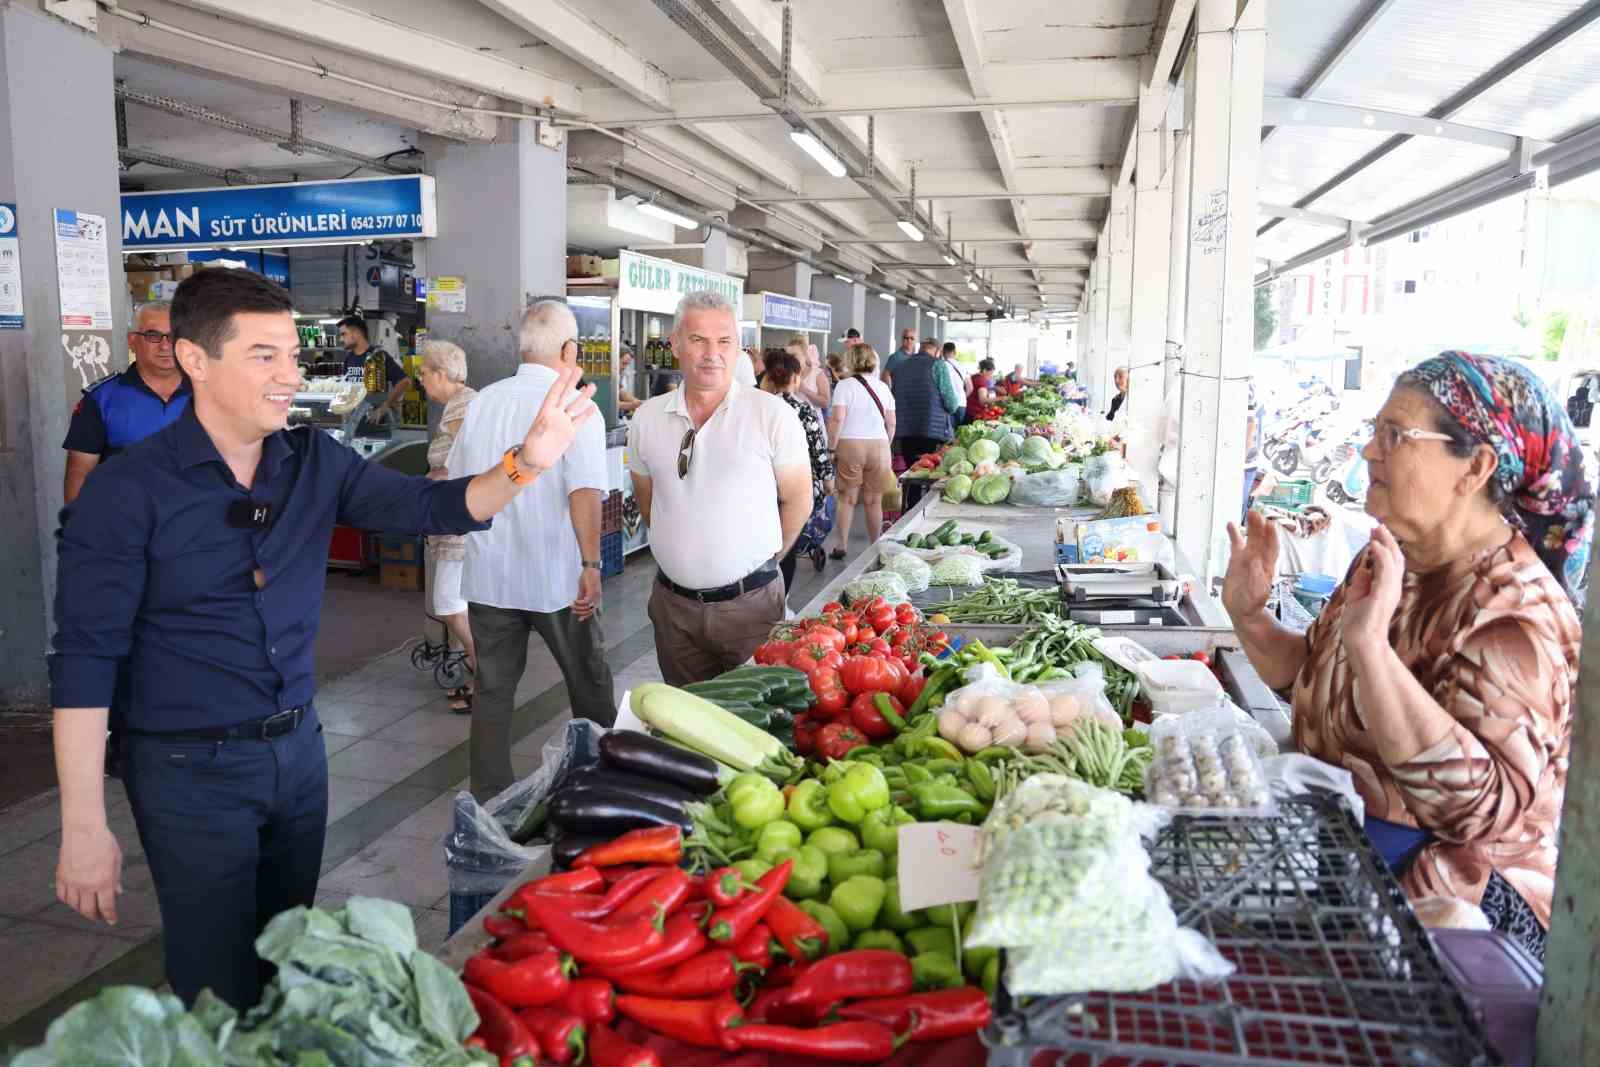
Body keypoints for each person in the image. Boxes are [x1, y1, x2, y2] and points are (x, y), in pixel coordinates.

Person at [50, 268, 596, 1009]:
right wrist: (83, 822)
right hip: (186, 767)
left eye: (292, 355)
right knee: (215, 980)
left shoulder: (313, 462)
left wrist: (528, 461)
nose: (289, 375)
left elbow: (433, 505)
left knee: (288, 953)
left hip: (298, 756)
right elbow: (84, 661)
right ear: (195, 359)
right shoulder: (127, 492)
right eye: (264, 356)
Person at [1222, 352, 1592, 960]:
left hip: (1457, 920)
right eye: (1374, 431)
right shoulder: (1391, 560)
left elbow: (1474, 812)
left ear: (1474, 466)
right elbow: (1307, 680)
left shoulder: (1516, 617)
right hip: (1343, 866)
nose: (1369, 451)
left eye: (1394, 435)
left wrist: (1371, 649)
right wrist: (1249, 615)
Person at [448, 301, 616, 800]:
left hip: (490, 577)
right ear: (569, 349)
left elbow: (460, 481)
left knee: (493, 692)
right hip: (557, 579)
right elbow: (584, 490)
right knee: (588, 683)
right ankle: (607, 782)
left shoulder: (482, 402)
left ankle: (490, 798)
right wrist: (591, 565)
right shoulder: (576, 404)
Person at [629, 291, 812, 685]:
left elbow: (799, 499)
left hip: (753, 609)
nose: (712, 353)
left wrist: (761, 562)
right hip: (673, 611)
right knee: (685, 727)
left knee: (758, 724)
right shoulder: (647, 419)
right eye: (698, 340)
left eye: (724, 341)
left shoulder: (771, 415)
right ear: (676, 343)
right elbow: (650, 503)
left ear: (738, 348)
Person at [63, 301, 190, 503]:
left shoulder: (212, 394)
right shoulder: (101, 399)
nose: (165, 345)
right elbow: (80, 472)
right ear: (132, 341)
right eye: (153, 336)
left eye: (174, 336)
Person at [416, 340, 478, 713]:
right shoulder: (457, 407)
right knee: (455, 604)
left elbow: (470, 463)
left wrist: (437, 476)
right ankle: (476, 673)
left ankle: (482, 667)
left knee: (449, 602)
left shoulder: (465, 408)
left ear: (440, 373)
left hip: (460, 521)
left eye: (424, 373)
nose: (421, 380)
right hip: (451, 518)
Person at [761, 350, 834, 596]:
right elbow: (818, 450)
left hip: (760, 487)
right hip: (794, 488)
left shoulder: (757, 409)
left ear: (768, 377)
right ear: (795, 378)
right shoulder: (803, 410)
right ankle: (782, 600)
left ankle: (758, 593)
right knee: (787, 545)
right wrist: (828, 480)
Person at [827, 344, 896, 561]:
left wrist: (831, 446)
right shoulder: (884, 388)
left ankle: (841, 545)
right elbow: (891, 422)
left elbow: (837, 418)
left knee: (847, 498)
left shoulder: (844, 386)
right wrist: (886, 443)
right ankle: (875, 546)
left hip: (850, 445)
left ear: (851, 360)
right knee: (874, 501)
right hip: (879, 446)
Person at [890, 332, 962, 466]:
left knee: (911, 471)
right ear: (938, 351)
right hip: (931, 432)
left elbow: (894, 395)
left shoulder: (900, 366)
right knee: (928, 472)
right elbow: (951, 403)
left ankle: (909, 488)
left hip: (905, 431)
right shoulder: (938, 365)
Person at [339, 315, 410, 427]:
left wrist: (384, 408)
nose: (341, 339)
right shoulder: (349, 358)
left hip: (377, 423)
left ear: (357, 333)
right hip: (355, 423)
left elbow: (404, 382)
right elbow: (347, 389)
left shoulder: (378, 356)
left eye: (344, 334)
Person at [937, 341, 970, 426]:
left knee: (947, 433)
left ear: (943, 352)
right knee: (958, 433)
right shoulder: (962, 366)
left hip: (947, 404)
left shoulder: (941, 365)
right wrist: (961, 397)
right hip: (962, 404)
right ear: (955, 352)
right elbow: (970, 388)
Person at [796, 340, 832, 414]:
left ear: (804, 355)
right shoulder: (788, 373)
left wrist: (805, 390)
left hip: (812, 422)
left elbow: (826, 403)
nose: (790, 358)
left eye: (794, 355)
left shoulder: (817, 373)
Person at [618, 347, 642, 415]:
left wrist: (640, 403)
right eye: (623, 363)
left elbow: (623, 393)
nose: (625, 367)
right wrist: (631, 405)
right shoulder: (605, 376)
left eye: (627, 364)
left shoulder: (618, 374)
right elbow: (608, 402)